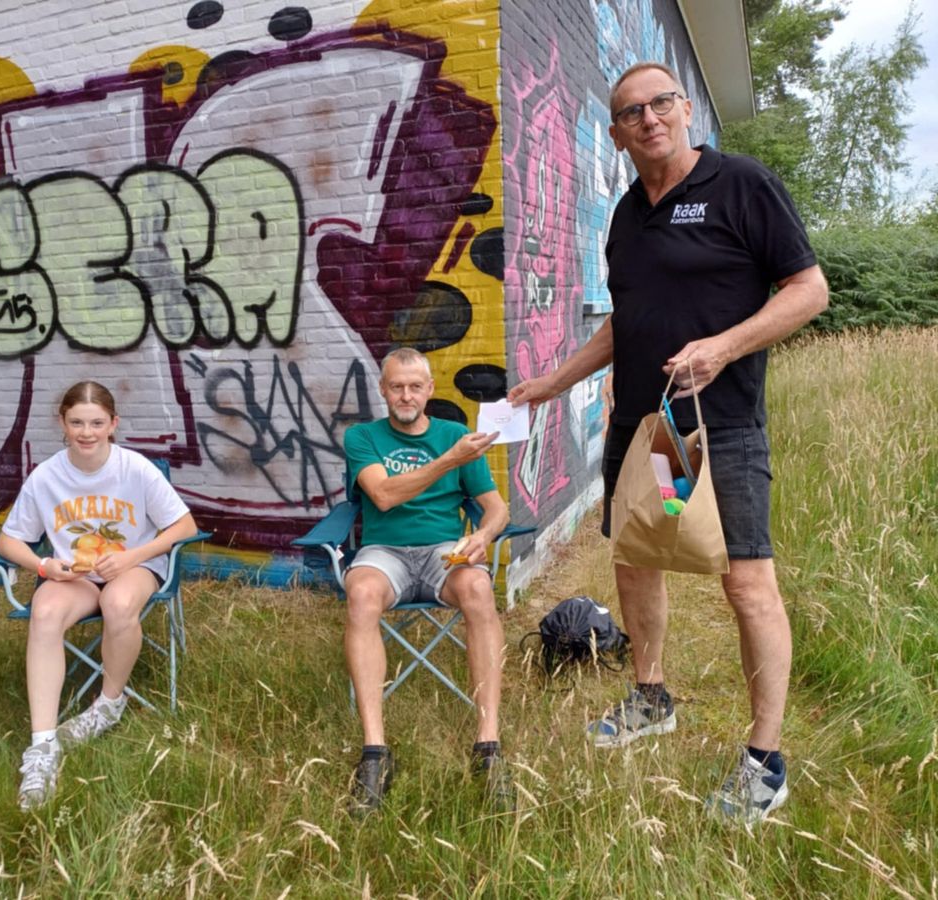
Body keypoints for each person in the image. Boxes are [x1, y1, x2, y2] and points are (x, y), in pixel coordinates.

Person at [508, 62, 828, 824]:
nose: (648, 118)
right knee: (638, 557)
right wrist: (556, 382)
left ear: (685, 110)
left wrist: (722, 347)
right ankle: (652, 697)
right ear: (617, 136)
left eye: (660, 104)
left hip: (721, 427)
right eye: (630, 113)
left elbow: (808, 290)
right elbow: (627, 319)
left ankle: (765, 761)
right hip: (651, 428)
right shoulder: (625, 216)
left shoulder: (741, 185)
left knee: (746, 585)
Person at [0, 381, 198, 811]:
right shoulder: (47, 475)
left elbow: (184, 526)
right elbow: (10, 541)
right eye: (76, 423)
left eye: (96, 423)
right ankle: (43, 747)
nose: (86, 432)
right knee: (45, 610)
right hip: (76, 573)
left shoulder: (135, 469)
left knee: (119, 603)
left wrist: (133, 556)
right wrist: (44, 567)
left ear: (113, 425)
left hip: (136, 566)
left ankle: (109, 703)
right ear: (62, 424)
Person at [342, 347, 512, 815]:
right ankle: (375, 752)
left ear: (430, 390)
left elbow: (496, 506)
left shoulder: (454, 434)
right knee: (360, 594)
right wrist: (448, 460)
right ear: (382, 390)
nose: (406, 395)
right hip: (386, 552)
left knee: (479, 589)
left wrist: (483, 533)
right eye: (396, 386)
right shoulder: (362, 437)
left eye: (415, 386)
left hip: (444, 551)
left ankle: (488, 745)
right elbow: (383, 495)